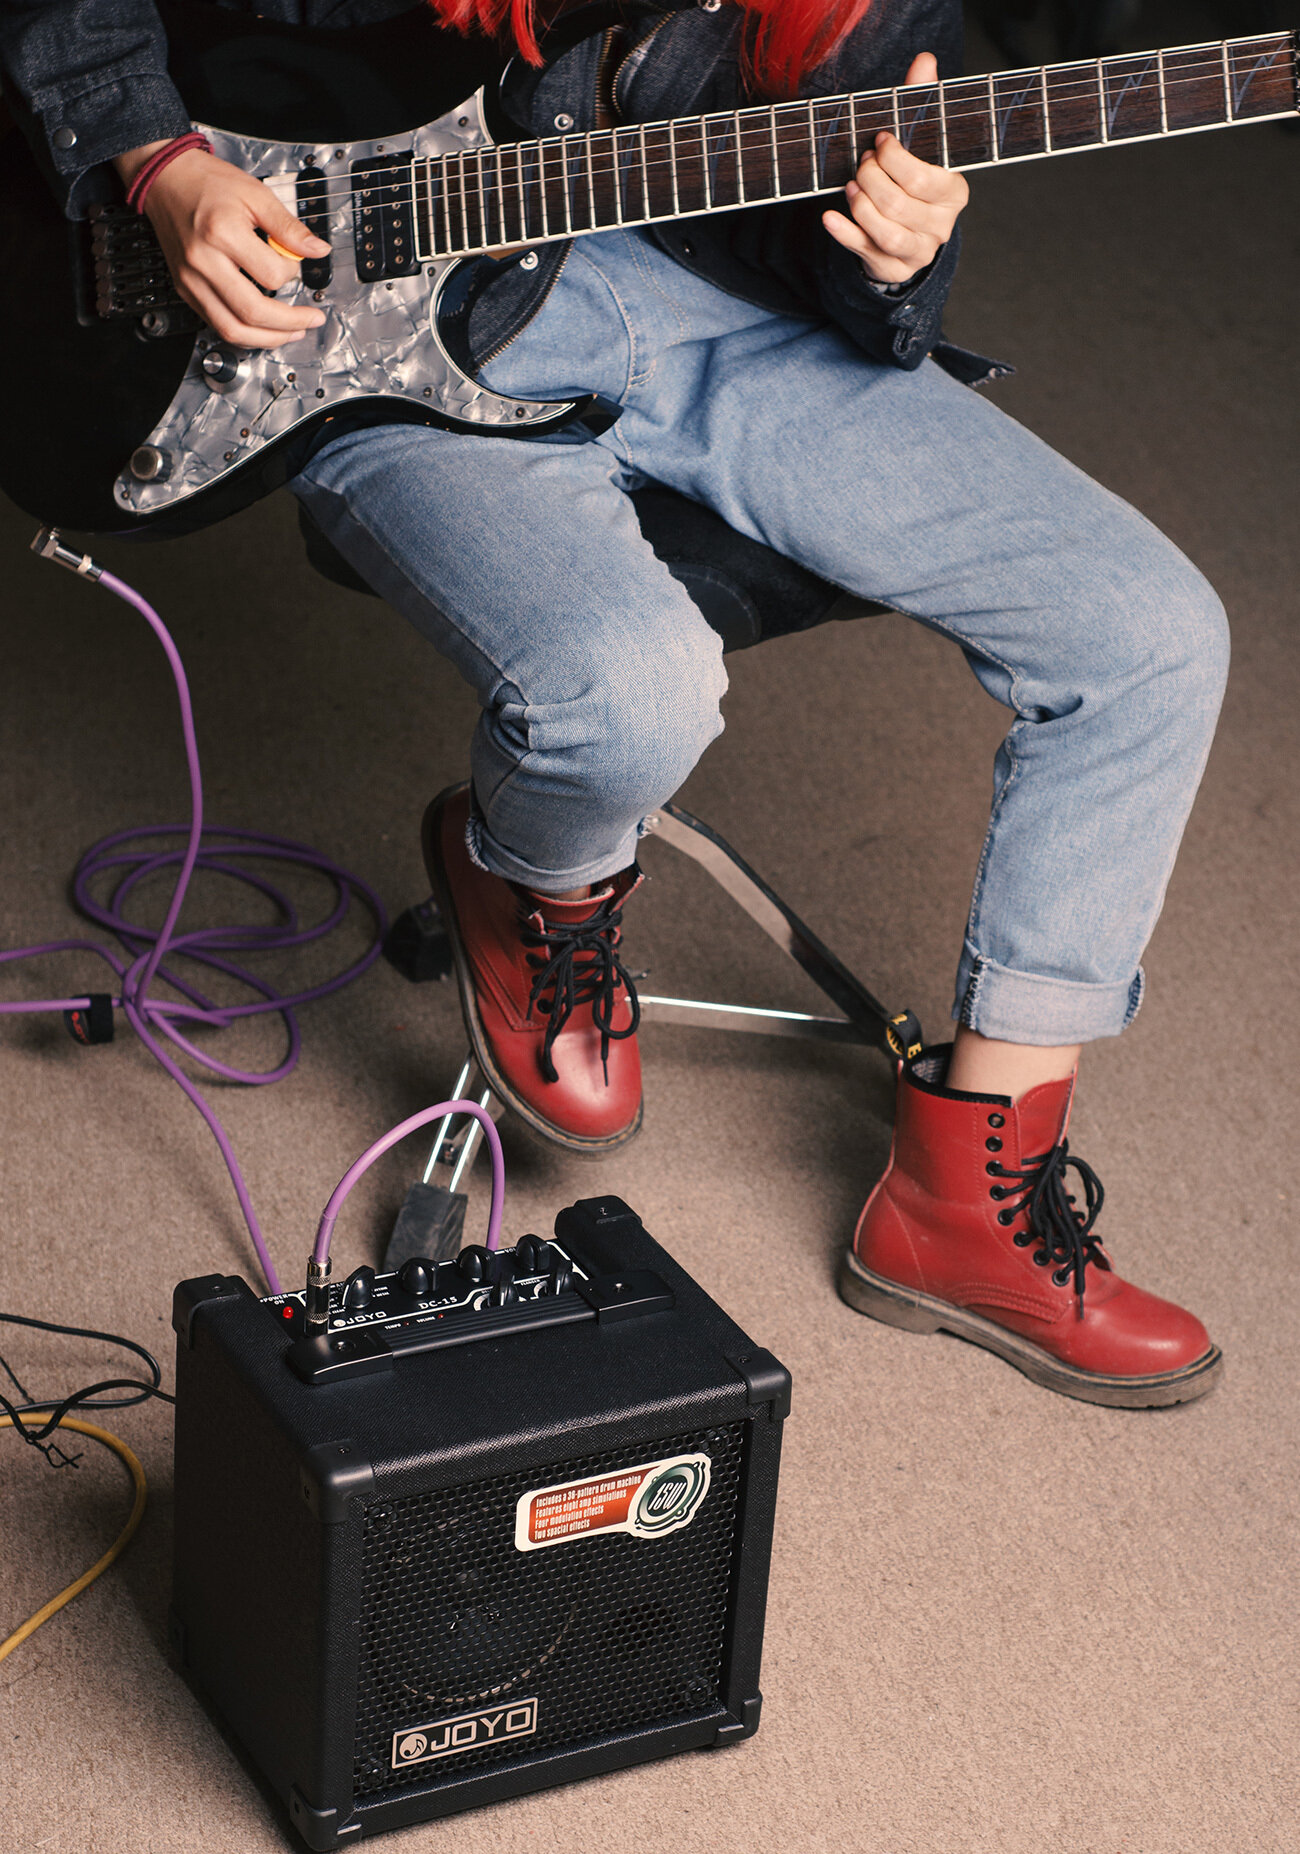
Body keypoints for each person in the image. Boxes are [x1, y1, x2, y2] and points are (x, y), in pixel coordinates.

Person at [1, 0, 1229, 1406]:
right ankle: (528, 875)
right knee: (633, 696)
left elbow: (866, 227)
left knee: (1149, 633)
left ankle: (963, 1207)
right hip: (389, 332)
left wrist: (900, 249)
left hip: (718, 313)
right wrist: (158, 160)